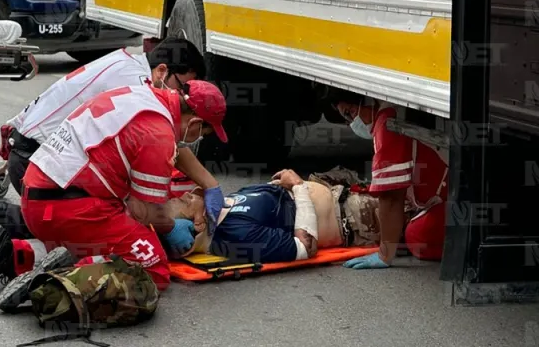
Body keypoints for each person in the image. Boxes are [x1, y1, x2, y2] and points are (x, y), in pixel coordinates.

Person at [0, 78, 229, 312]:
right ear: (194, 122)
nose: (197, 140)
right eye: (202, 133)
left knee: (105, 239)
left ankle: (11, 253)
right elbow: (143, 211)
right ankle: (57, 282)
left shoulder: (138, 95)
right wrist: (171, 228)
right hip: (72, 208)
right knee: (153, 268)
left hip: (37, 196)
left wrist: (208, 185)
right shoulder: (157, 134)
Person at [0, 37, 205, 195]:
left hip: (29, 153)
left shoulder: (125, 61)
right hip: (36, 164)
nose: (182, 97)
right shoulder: (137, 84)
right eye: (181, 87)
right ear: (162, 71)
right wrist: (209, 185)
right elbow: (160, 145)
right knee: (126, 212)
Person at [329, 91, 448, 269]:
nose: (352, 122)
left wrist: (384, 254)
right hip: (447, 189)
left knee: (417, 236)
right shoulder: (393, 111)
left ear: (367, 100)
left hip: (451, 196)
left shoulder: (388, 125)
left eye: (351, 112)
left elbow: (391, 197)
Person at [168, 169, 382, 264]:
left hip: (338, 187)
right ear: (198, 223)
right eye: (186, 202)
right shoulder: (236, 236)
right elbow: (305, 247)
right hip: (354, 216)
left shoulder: (220, 210)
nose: (187, 194)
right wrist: (298, 187)